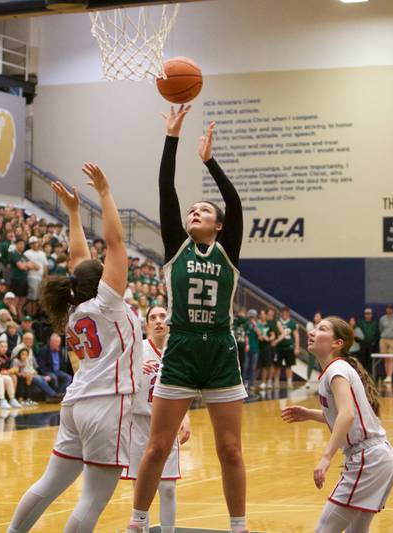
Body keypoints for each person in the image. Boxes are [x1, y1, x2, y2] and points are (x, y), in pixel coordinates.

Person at [129, 108, 247, 533]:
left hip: (219, 349)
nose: (194, 212)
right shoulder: (176, 247)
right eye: (192, 210)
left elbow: (233, 202)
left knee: (230, 450)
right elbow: (166, 188)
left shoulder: (227, 249)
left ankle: (239, 527)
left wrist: (209, 161)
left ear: (218, 225)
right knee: (157, 446)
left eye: (204, 211)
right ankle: (137, 524)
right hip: (180, 349)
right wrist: (171, 137)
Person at [9, 162, 136, 533]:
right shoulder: (108, 303)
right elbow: (115, 242)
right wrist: (105, 193)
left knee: (50, 483)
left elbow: (78, 260)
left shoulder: (76, 305)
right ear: (104, 281)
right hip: (106, 402)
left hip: (76, 402)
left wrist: (75, 213)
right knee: (93, 498)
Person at [281, 316, 393, 533]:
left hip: (368, 459)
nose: (312, 332)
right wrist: (309, 414)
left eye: (322, 329)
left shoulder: (336, 370)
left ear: (337, 343)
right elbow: (344, 416)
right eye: (314, 328)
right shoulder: (336, 370)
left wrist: (326, 457)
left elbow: (347, 415)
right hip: (378, 456)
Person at [122, 305, 191, 533]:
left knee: (168, 488)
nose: (159, 321)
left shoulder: (178, 352)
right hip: (138, 425)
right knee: (142, 489)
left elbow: (182, 388)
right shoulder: (136, 351)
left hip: (166, 424)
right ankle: (143, 529)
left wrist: (186, 415)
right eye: (153, 317)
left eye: (163, 316)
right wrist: (130, 370)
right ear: (147, 325)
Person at [273, 306, 299, 389]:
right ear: (281, 313)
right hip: (279, 348)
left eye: (286, 312)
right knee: (277, 366)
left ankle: (289, 382)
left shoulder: (292, 323)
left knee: (289, 366)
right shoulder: (277, 322)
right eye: (283, 312)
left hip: (289, 347)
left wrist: (297, 347)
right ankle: (276, 382)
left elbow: (296, 336)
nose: (284, 314)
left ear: (288, 313)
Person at [378, 304, 393, 384]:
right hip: (384, 339)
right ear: (386, 310)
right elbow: (380, 329)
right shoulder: (382, 318)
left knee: (391, 357)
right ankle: (387, 376)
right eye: (388, 308)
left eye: (391, 308)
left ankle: (390, 376)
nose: (389, 310)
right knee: (385, 358)